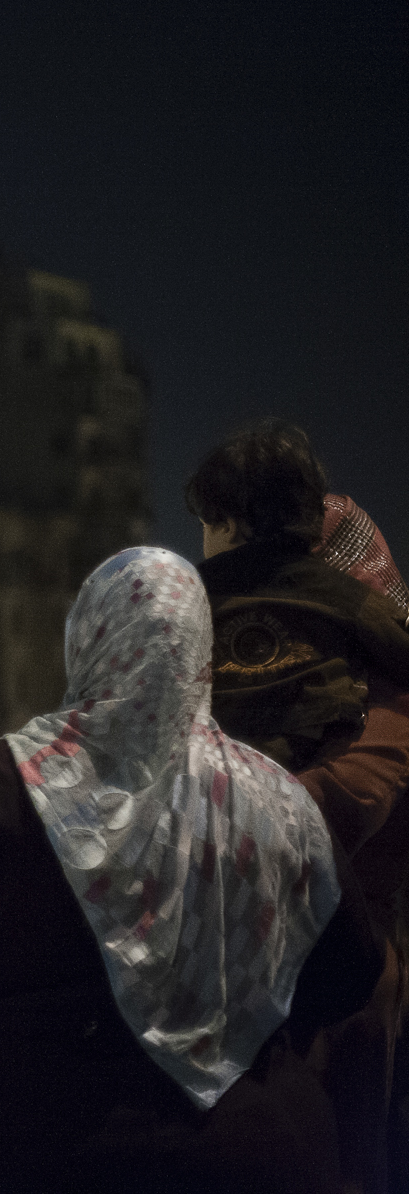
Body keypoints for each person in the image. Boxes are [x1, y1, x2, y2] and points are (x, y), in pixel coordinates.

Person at [0, 547, 381, 1194]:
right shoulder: (282, 801)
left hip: (25, 1149)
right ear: (202, 661)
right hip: (250, 1153)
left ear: (88, 644)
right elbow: (352, 969)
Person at [186, 421, 409, 1190]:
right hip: (350, 948)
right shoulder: (375, 622)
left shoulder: (180, 618)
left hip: (211, 947)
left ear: (225, 521)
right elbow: (367, 782)